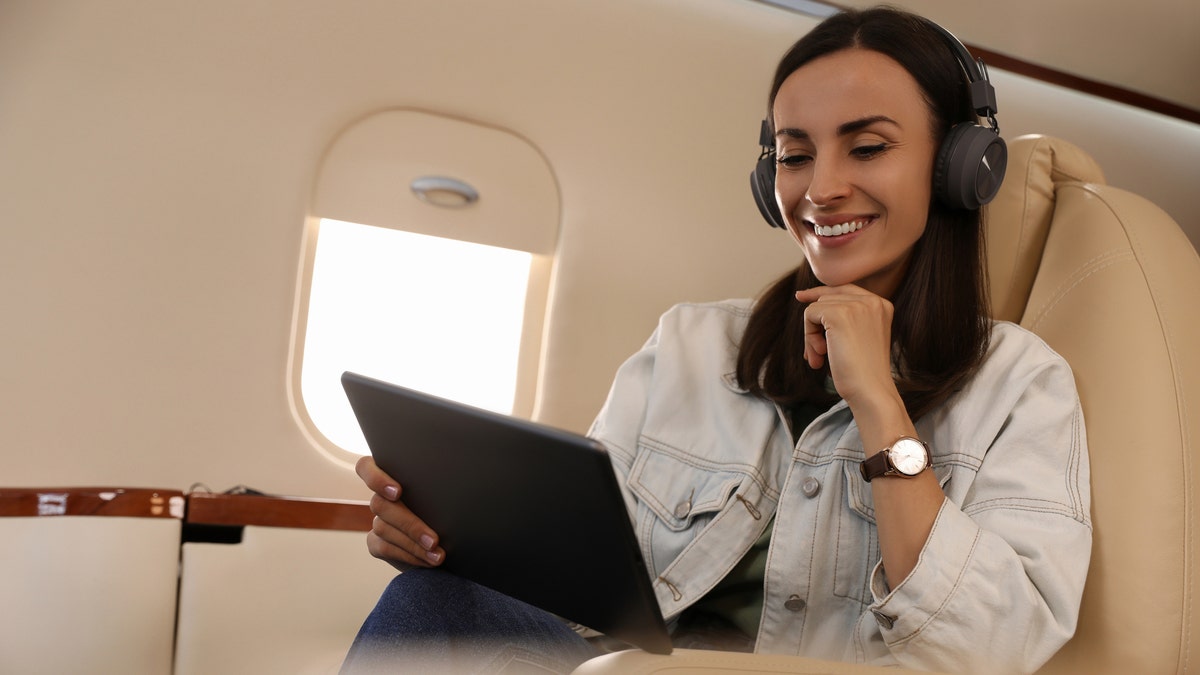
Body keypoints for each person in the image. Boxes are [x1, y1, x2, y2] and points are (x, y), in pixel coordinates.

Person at [343, 7, 1091, 674]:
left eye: (866, 148)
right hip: (628, 667)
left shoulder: (1021, 383)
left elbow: (991, 650)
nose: (821, 188)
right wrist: (455, 542)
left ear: (959, 166)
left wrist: (880, 405)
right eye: (796, 156)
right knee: (432, 603)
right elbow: (585, 592)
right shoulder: (691, 344)